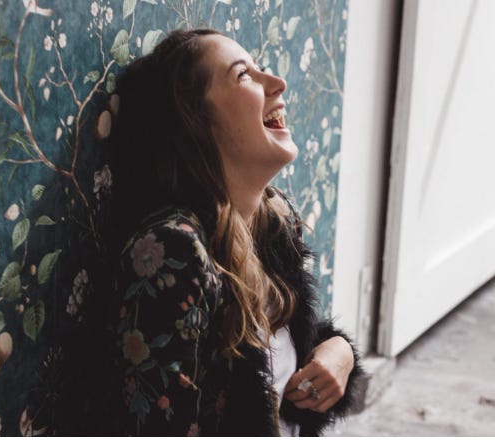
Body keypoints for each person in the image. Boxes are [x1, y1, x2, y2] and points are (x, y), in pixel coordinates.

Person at [49, 28, 364, 436]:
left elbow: (273, 360)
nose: (277, 82)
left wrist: (339, 352)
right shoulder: (171, 252)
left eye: (261, 68)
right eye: (243, 76)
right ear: (196, 122)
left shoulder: (271, 219)